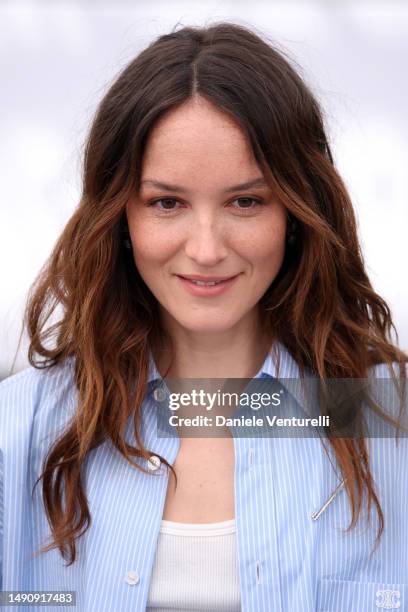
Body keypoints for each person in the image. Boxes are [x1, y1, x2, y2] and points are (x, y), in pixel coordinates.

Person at [1, 21, 407, 612]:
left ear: (296, 212)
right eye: (167, 203)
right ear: (121, 218)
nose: (207, 248)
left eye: (246, 201)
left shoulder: (383, 419)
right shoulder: (24, 431)